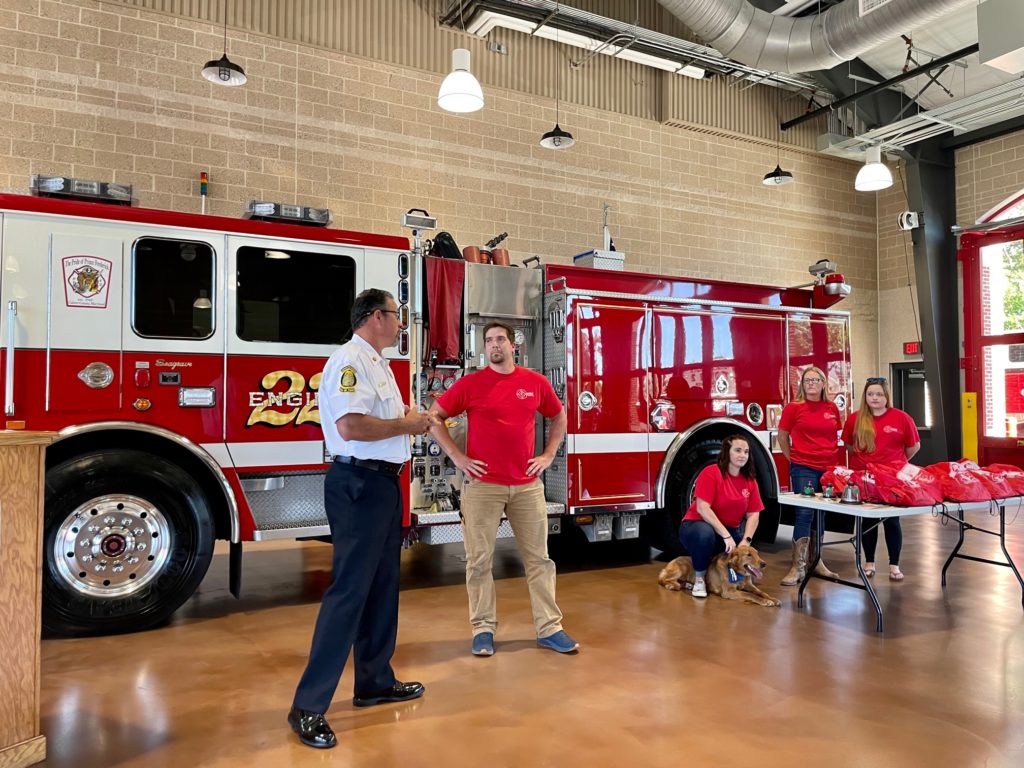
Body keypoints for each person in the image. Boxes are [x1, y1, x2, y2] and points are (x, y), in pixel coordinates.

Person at [288, 289, 439, 750]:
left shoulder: (378, 364)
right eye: (397, 315)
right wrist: (407, 427)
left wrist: (411, 418)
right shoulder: (350, 362)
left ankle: (374, 681)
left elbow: (379, 420)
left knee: (381, 586)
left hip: (383, 485)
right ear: (376, 316)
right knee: (349, 592)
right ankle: (308, 707)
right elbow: (352, 427)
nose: (401, 323)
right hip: (358, 485)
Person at [429, 321, 578, 656]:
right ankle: (483, 629)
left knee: (539, 559)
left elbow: (559, 416)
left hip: (527, 487)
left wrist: (549, 454)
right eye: (488, 341)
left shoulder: (534, 383)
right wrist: (458, 457)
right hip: (482, 486)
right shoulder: (471, 384)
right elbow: (433, 417)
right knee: (479, 560)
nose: (493, 345)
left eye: (500, 340)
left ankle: (549, 628)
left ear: (514, 346)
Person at [841, 376, 920, 581]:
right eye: (870, 394)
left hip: (892, 481)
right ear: (865, 396)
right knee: (868, 522)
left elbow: (913, 446)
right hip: (865, 480)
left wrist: (896, 465)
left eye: (879, 394)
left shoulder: (901, 418)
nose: (874, 398)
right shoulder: (855, 419)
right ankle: (869, 562)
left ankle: (894, 565)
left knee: (892, 522)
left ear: (887, 396)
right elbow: (849, 446)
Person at [777, 366, 843, 585]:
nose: (812, 384)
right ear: (802, 385)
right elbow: (783, 436)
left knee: (822, 514)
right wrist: (794, 459)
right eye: (807, 381)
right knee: (804, 513)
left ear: (824, 383)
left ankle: (817, 562)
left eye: (816, 380)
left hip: (828, 469)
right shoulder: (794, 408)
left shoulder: (832, 408)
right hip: (803, 467)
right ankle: (798, 567)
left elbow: (835, 437)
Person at [678, 435, 764, 598]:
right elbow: (703, 508)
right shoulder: (710, 473)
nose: (742, 455)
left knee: (745, 553)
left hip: (728, 530)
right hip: (696, 526)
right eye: (737, 450)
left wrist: (746, 541)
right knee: (706, 535)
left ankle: (731, 582)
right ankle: (699, 579)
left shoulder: (750, 481)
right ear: (726, 452)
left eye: (746, 452)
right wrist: (725, 535)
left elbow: (754, 514)